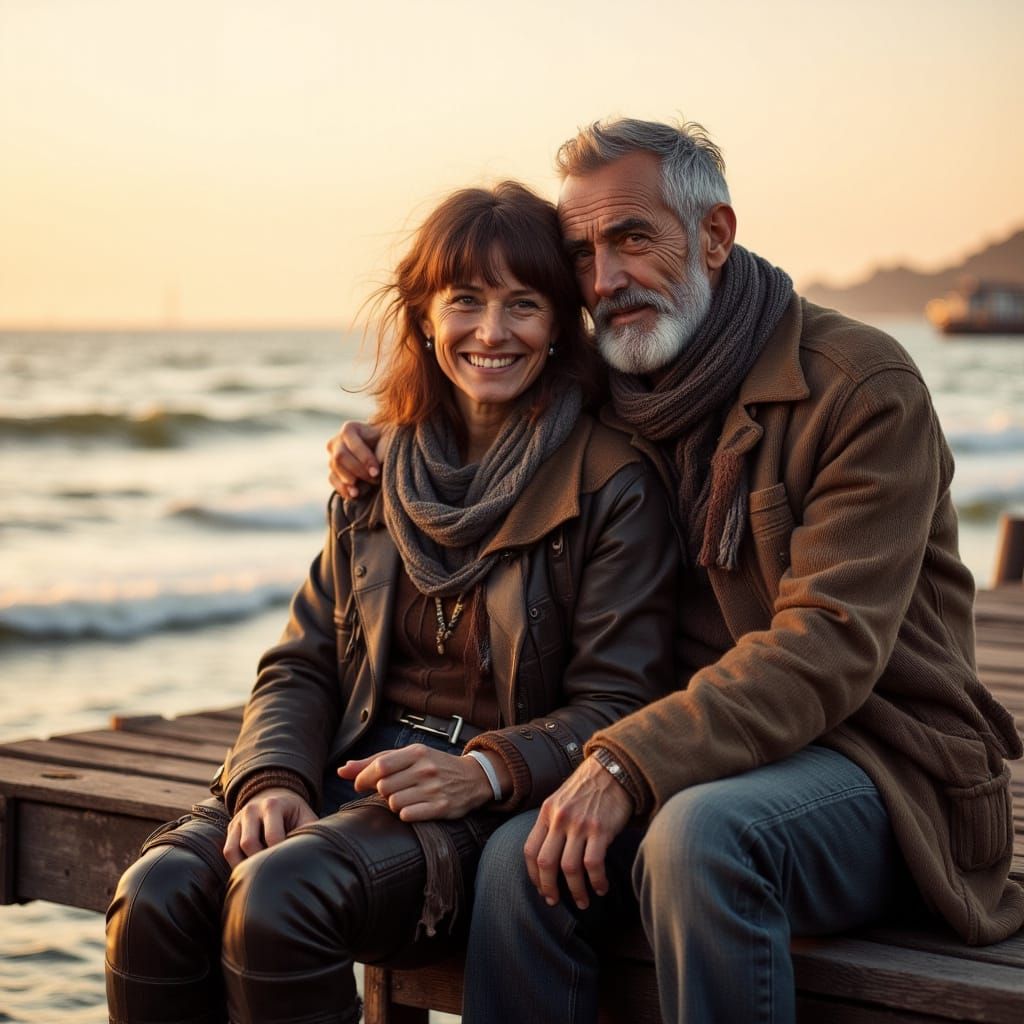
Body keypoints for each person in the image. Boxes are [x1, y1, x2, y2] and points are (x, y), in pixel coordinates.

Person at [326, 118, 1024, 1023]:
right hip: (695, 754)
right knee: (515, 858)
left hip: (883, 769)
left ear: (716, 236)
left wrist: (624, 764)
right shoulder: (608, 386)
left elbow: (827, 647)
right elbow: (484, 410)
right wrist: (391, 443)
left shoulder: (859, 385)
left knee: (701, 840)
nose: (605, 278)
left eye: (632, 239)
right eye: (581, 253)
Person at [104, 180, 678, 1024]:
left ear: (561, 325)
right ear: (422, 316)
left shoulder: (612, 483)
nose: (492, 332)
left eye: (524, 304)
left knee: (277, 898)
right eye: (467, 302)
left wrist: (482, 771)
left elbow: (621, 701)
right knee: (154, 893)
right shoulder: (378, 471)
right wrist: (270, 778)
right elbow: (301, 661)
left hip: (479, 803)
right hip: (344, 765)